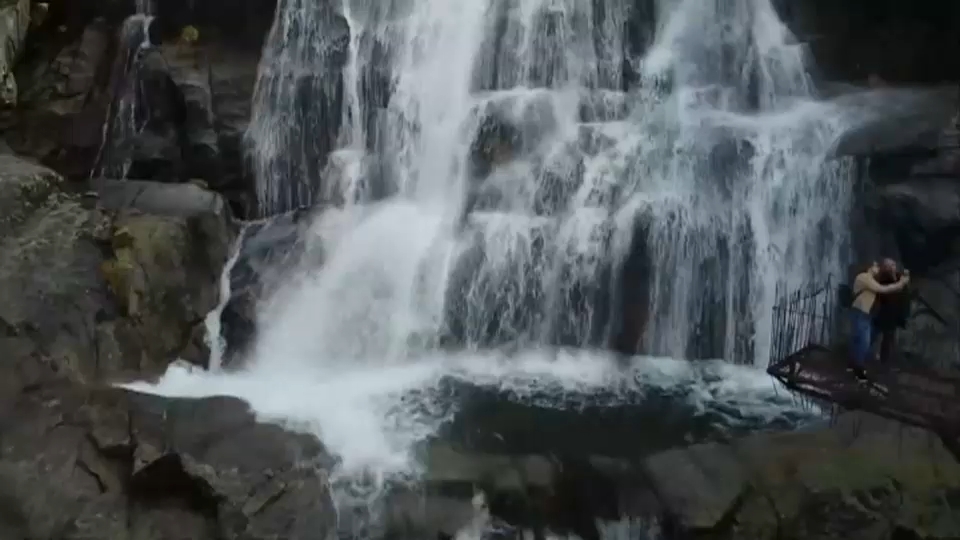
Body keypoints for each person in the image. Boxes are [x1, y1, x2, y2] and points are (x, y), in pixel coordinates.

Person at [849, 261, 910, 379]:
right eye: (876, 266)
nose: (878, 268)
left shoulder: (872, 279)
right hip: (861, 312)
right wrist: (901, 283)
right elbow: (882, 289)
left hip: (867, 314)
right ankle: (858, 369)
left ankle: (854, 365)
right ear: (870, 267)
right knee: (864, 341)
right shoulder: (864, 277)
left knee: (861, 340)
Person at [871, 258, 911, 365]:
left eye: (893, 265)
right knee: (877, 334)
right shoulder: (883, 278)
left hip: (894, 312)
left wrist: (904, 313)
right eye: (889, 265)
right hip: (883, 312)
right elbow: (884, 291)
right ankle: (875, 358)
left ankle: (885, 361)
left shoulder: (899, 277)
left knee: (889, 336)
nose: (892, 267)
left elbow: (904, 295)